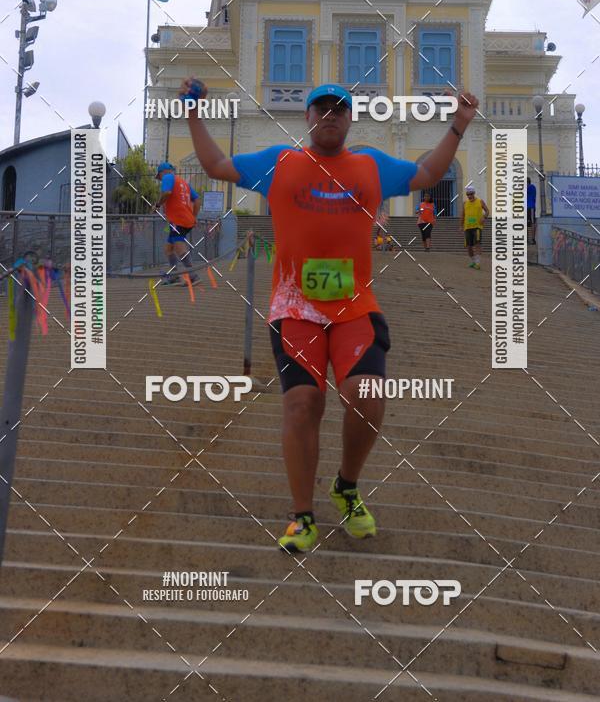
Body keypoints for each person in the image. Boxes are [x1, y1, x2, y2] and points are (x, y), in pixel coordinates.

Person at [183, 77, 480, 552]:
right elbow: (216, 165)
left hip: (353, 307)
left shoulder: (370, 165)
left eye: (339, 109)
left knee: (366, 395)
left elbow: (427, 173)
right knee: (304, 403)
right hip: (295, 307)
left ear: (350, 118)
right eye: (321, 108)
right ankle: (302, 516)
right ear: (307, 117)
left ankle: (346, 485)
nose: (329, 116)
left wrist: (459, 125)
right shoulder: (281, 162)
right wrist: (193, 114)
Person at [154, 162, 201, 285]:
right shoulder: (184, 183)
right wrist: (194, 216)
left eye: (159, 176)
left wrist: (157, 205)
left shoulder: (168, 177)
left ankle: (193, 275)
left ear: (162, 172)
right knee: (168, 248)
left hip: (178, 219)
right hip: (185, 219)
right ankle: (174, 276)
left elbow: (167, 193)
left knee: (179, 245)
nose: (160, 180)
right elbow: (197, 200)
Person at [460, 186, 488, 269]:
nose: (469, 196)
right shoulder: (465, 203)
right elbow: (463, 215)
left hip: (477, 227)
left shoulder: (480, 201)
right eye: (468, 194)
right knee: (469, 247)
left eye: (471, 194)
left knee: (477, 244)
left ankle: (478, 263)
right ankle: (473, 261)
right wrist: (461, 226)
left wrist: (484, 217)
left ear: (474, 193)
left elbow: (487, 211)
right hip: (467, 227)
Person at [527, 177, 537, 245]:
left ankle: (533, 239)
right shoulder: (530, 187)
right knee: (527, 224)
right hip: (527, 208)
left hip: (531, 207)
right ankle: (528, 239)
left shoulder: (531, 187)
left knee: (533, 223)